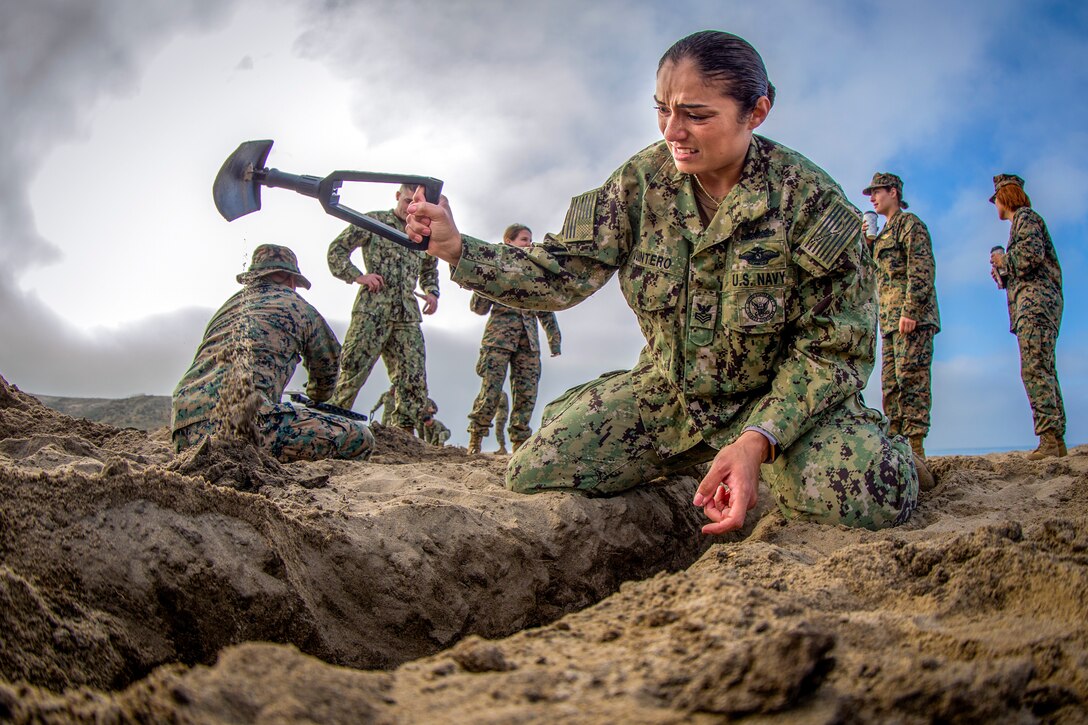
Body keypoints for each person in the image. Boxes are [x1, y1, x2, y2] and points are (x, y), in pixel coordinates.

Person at [406, 30, 920, 535]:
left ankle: (881, 460)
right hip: (672, 396)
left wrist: (758, 440)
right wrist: (456, 248)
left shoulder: (811, 203)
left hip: (781, 406)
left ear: (756, 113)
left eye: (696, 114)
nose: (672, 131)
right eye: (662, 109)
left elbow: (834, 351)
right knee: (536, 469)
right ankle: (678, 465)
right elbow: (561, 270)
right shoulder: (639, 183)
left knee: (869, 497)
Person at [172, 244, 374, 461]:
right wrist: (316, 397)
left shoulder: (228, 308)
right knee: (359, 437)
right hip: (243, 423)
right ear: (291, 280)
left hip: (183, 426)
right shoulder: (298, 306)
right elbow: (327, 369)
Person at [327, 183, 439, 432]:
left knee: (413, 376)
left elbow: (430, 267)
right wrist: (358, 276)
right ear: (397, 196)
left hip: (406, 314)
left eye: (415, 203)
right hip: (373, 309)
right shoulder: (375, 221)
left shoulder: (421, 231)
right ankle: (331, 426)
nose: (410, 207)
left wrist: (432, 292)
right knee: (352, 368)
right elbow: (337, 251)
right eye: (406, 200)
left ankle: (404, 434)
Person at [862, 173, 940, 459]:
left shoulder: (910, 225)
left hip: (912, 318)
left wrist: (911, 311)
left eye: (877, 192)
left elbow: (922, 268)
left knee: (912, 381)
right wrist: (866, 245)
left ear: (893, 192)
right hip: (890, 322)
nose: (872, 198)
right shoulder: (883, 234)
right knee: (892, 386)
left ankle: (916, 449)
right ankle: (898, 449)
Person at [466, 224, 562, 455]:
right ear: (508, 241)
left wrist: (554, 340)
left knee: (526, 393)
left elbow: (545, 308)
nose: (529, 243)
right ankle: (476, 439)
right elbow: (477, 308)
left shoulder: (535, 271)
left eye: (530, 239)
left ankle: (520, 444)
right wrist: (483, 279)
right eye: (523, 239)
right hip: (498, 339)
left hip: (528, 343)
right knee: (491, 391)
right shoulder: (496, 266)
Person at [989, 174, 1066, 459]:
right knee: (1043, 368)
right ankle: (1055, 440)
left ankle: (1049, 439)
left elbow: (1030, 256)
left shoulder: (1026, 218)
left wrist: (1003, 261)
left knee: (1034, 369)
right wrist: (1003, 274)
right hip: (1035, 304)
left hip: (1035, 305)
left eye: (996, 198)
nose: (994, 204)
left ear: (1005, 197)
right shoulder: (1023, 223)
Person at [492, 389, 510, 454]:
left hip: (501, 415)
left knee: (499, 431)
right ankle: (501, 447)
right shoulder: (500, 393)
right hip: (499, 415)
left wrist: (494, 401)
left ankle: (502, 448)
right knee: (498, 431)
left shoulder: (502, 394)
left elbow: (502, 403)